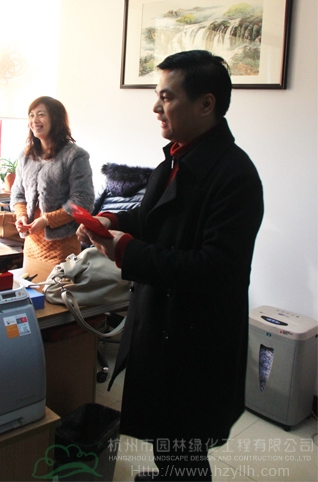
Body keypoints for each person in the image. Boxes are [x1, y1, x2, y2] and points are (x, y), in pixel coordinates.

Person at [77, 50, 264, 481]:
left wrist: (127, 251)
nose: (156, 107)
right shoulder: (175, 159)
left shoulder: (235, 176)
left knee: (186, 446)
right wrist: (113, 222)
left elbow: (216, 268)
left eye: (167, 96)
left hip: (197, 338)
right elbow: (152, 219)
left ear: (206, 104)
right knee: (167, 436)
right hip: (162, 324)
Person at [11, 96, 94, 281]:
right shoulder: (26, 155)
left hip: (62, 247)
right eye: (31, 115)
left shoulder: (75, 156)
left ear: (55, 119)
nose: (34, 120)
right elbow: (17, 194)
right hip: (31, 245)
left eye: (41, 114)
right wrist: (21, 216)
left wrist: (46, 220)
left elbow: (83, 201)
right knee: (32, 293)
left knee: (55, 295)